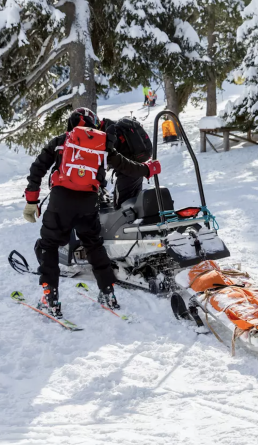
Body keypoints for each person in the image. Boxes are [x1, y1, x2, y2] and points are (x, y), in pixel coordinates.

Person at [22, 108, 161, 317]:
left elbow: (37, 169)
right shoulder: (103, 143)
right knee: (94, 245)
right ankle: (108, 293)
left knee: (49, 244)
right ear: (94, 124)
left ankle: (50, 297)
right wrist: (148, 170)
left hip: (61, 200)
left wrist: (32, 201)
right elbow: (126, 166)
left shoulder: (61, 141)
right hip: (88, 201)